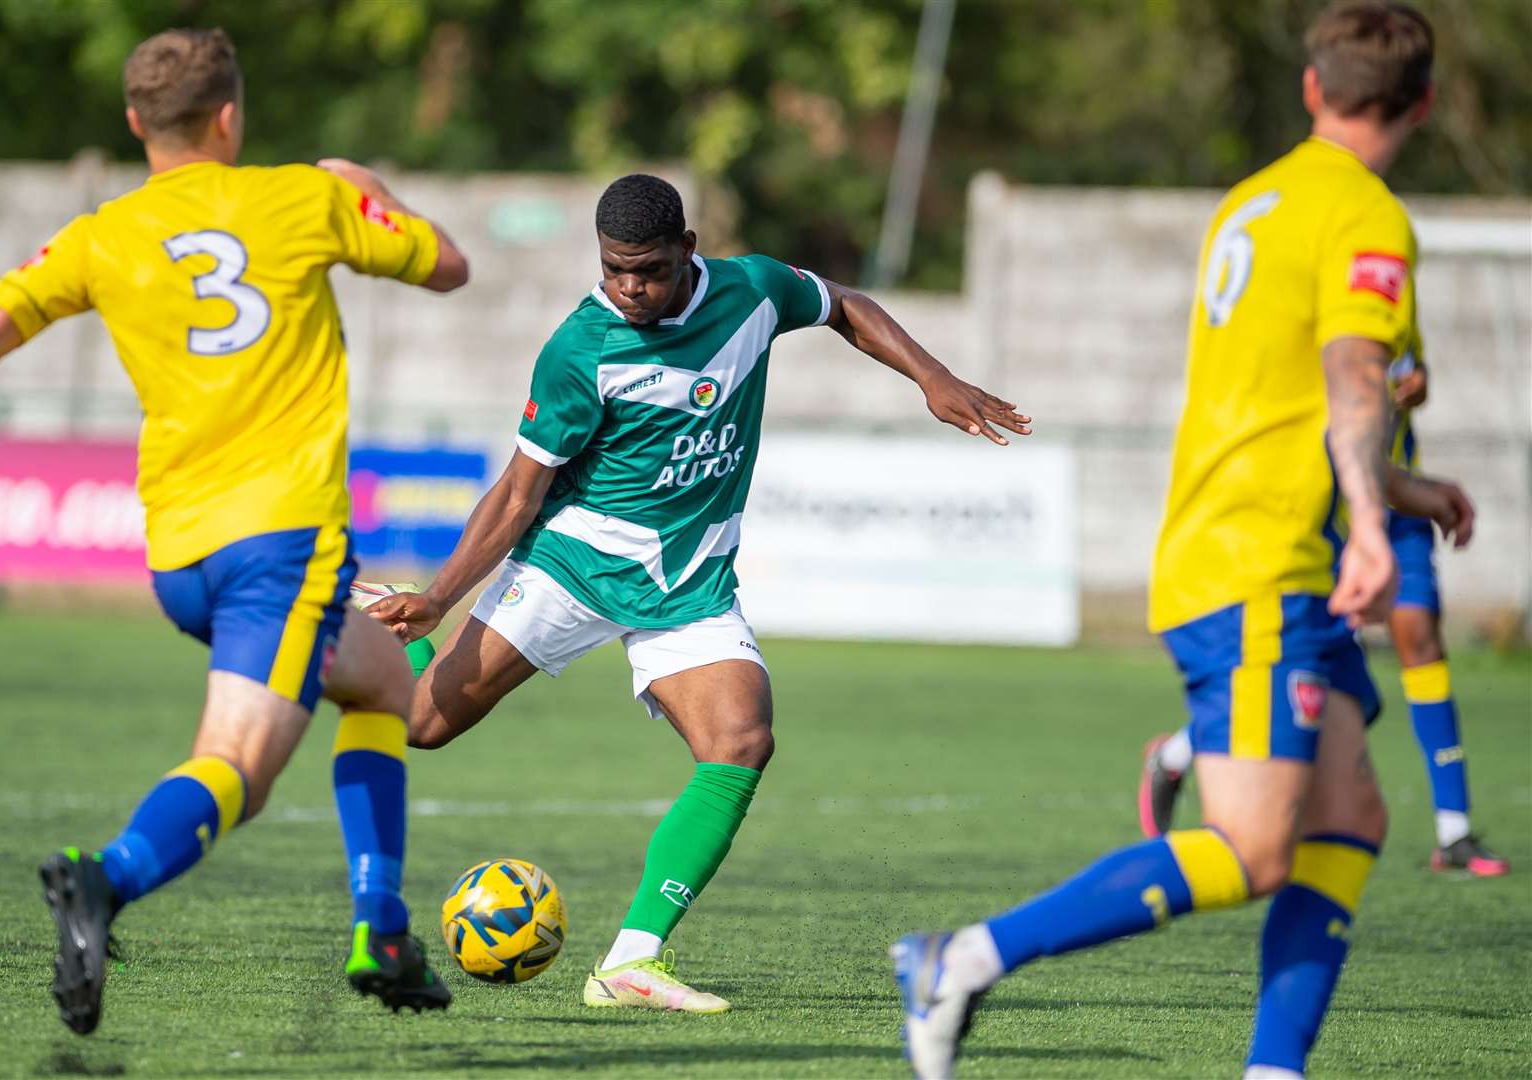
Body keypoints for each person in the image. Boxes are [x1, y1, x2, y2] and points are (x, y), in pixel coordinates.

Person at [891, 5, 1476, 1077]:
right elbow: (1354, 377)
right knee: (1256, 849)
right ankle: (960, 959)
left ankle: (1273, 1070)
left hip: (1245, 544)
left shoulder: (1252, 203)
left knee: (1348, 820)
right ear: (1423, 103)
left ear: (1312, 89)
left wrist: (1403, 483)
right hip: (1260, 565)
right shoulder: (1367, 216)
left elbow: (1284, 402)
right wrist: (1374, 526)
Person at [0, 28, 469, 1035]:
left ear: (135, 124)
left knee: (384, 679)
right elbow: (448, 267)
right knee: (238, 772)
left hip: (180, 555)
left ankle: (382, 928)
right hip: (284, 545)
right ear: (231, 115)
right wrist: (362, 182)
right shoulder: (304, 197)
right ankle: (105, 878)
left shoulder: (99, 236)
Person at [364, 172, 1030, 1013]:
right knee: (419, 729)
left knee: (743, 739)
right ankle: (400, 628)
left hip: (689, 582)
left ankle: (630, 962)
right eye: (613, 270)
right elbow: (518, 492)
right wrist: (440, 596)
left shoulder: (751, 290)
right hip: (576, 565)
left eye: (645, 269)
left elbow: (845, 304)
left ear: (688, 248)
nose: (629, 288)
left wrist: (933, 377)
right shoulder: (582, 347)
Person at [1138, 344, 1508, 876]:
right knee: (1312, 679)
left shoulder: (1395, 293)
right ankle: (992, 949)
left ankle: (1454, 831)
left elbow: (1404, 371)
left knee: (1414, 643)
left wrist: (1417, 387)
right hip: (1326, 503)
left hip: (1396, 499)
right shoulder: (1316, 290)